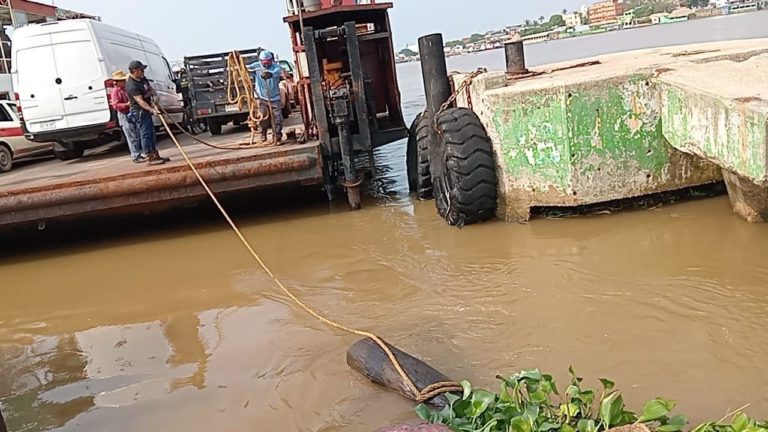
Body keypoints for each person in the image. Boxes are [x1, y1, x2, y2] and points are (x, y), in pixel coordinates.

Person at [126, 60, 170, 165]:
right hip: (139, 111)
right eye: (141, 70)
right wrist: (151, 109)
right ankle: (150, 156)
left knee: (151, 132)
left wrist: (154, 96)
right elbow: (139, 100)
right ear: (135, 71)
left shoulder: (142, 78)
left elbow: (149, 88)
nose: (143, 72)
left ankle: (154, 153)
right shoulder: (132, 85)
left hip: (146, 108)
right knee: (145, 133)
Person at [109, 70, 144, 163]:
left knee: (136, 134)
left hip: (130, 113)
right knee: (131, 136)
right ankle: (135, 155)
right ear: (117, 82)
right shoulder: (116, 91)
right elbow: (115, 105)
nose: (124, 81)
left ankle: (137, 154)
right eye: (122, 80)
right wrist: (126, 104)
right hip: (124, 114)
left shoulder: (125, 89)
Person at [250, 50, 284, 143]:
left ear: (271, 60)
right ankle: (263, 134)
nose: (265, 64)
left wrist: (270, 74)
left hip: (274, 97)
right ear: (260, 60)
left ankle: (277, 136)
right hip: (261, 97)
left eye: (268, 62)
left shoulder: (276, 67)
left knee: (277, 118)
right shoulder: (256, 66)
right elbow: (245, 68)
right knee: (263, 117)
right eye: (264, 62)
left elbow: (277, 72)